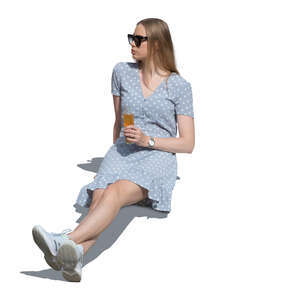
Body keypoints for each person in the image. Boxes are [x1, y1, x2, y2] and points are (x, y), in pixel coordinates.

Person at [32, 18, 195, 282]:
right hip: (122, 150)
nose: (132, 43)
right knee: (101, 194)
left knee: (116, 191)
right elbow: (119, 121)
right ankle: (76, 258)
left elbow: (187, 143)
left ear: (156, 45)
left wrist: (148, 140)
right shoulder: (122, 71)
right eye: (132, 37)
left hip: (158, 155)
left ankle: (64, 240)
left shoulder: (179, 86)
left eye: (139, 39)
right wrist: (114, 156)